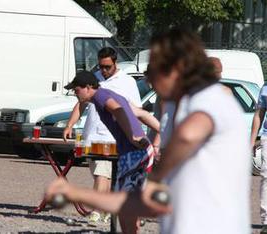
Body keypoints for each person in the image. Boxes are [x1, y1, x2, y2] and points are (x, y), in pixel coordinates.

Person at [47, 28, 251, 234]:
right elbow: (138, 204)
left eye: (154, 70)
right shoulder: (177, 105)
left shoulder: (209, 98)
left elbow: (191, 133)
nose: (148, 78)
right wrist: (75, 194)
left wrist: (155, 172)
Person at [63, 47, 159, 224]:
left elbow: (122, 111)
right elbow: (140, 114)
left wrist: (132, 137)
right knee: (117, 190)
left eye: (77, 90)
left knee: (121, 195)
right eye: (101, 67)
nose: (104, 70)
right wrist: (160, 133)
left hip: (128, 148)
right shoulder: (101, 88)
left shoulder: (104, 94)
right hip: (116, 144)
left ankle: (101, 211)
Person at [251, 84, 267, 233]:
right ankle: (266, 221)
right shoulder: (265, 88)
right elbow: (258, 114)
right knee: (266, 177)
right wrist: (251, 141)